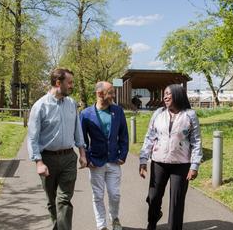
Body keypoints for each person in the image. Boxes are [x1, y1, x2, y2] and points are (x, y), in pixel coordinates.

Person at [27, 68, 87, 230]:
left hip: (68, 158)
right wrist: (39, 162)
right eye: (70, 82)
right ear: (58, 83)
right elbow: (32, 137)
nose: (72, 86)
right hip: (48, 159)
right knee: (52, 201)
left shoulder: (71, 104)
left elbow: (77, 130)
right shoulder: (40, 106)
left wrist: (82, 153)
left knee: (64, 200)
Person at [139, 84, 203, 230]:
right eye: (165, 94)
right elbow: (149, 137)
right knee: (153, 197)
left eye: (169, 94)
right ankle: (153, 221)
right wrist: (143, 160)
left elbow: (196, 141)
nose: (165, 97)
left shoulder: (190, 115)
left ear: (178, 95)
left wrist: (194, 165)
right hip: (159, 162)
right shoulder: (158, 113)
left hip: (181, 164)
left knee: (177, 201)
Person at [80, 81, 129, 230]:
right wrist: (87, 159)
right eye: (111, 92)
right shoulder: (86, 114)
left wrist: (123, 154)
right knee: (98, 196)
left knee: (115, 194)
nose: (113, 95)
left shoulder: (118, 111)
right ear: (100, 94)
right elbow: (82, 139)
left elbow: (124, 135)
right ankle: (101, 225)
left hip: (114, 160)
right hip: (96, 162)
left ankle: (114, 218)